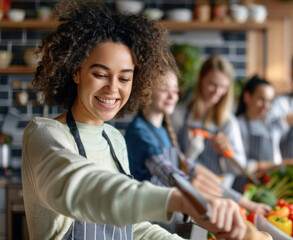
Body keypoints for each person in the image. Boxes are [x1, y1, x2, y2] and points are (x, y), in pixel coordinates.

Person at [21, 1, 246, 239]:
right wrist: (178, 200)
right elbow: (82, 188)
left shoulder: (115, 140)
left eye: (125, 78)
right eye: (100, 74)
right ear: (75, 71)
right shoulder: (45, 134)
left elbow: (134, 228)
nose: (112, 88)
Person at [124, 70, 271, 224]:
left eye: (175, 90)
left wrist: (245, 203)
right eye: (164, 89)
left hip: (166, 219)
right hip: (147, 222)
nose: (172, 96)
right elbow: (173, 176)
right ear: (145, 91)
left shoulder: (162, 130)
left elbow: (191, 167)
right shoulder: (140, 133)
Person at [172, 55, 247, 188]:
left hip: (216, 191)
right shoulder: (180, 114)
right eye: (212, 84)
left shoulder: (228, 123)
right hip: (183, 188)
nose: (217, 92)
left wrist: (228, 153)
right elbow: (169, 157)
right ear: (201, 79)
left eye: (223, 87)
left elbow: (239, 169)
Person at [233, 75, 293, 191]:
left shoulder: (268, 124)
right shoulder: (237, 125)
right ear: (247, 97)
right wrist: (280, 164)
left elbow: (286, 120)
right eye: (261, 100)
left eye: (269, 101)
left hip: (265, 187)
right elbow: (241, 164)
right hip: (242, 188)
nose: (266, 106)